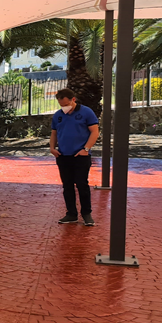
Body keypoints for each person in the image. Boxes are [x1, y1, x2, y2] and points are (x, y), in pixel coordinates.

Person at [50, 88, 99, 226]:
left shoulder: (86, 112)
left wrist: (86, 149)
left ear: (73, 100)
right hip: (63, 156)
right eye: (61, 105)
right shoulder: (58, 116)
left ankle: (86, 214)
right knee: (67, 186)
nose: (64, 107)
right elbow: (54, 133)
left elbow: (94, 132)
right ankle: (71, 214)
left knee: (82, 184)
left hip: (80, 156)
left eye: (66, 104)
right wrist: (52, 148)